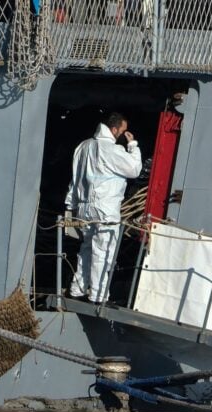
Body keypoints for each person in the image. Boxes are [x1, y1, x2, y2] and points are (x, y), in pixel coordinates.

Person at [65, 112, 142, 304]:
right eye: (123, 131)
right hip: (105, 208)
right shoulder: (112, 150)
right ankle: (98, 295)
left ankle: (77, 288)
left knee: (86, 249)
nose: (123, 134)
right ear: (114, 129)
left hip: (84, 208)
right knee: (103, 251)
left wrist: (71, 204)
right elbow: (134, 169)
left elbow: (75, 179)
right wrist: (133, 146)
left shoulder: (82, 147)